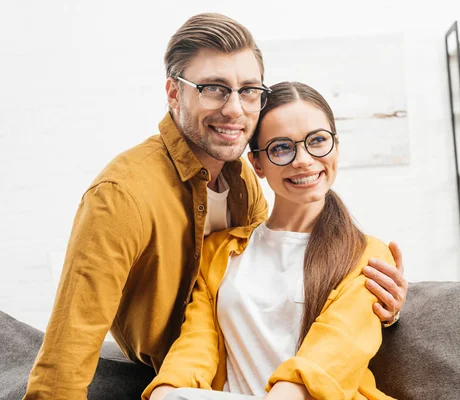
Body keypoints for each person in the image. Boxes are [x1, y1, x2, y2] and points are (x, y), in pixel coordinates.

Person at [23, 13, 406, 399]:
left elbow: (277, 280)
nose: (235, 110)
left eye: (248, 90)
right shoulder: (122, 196)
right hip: (181, 378)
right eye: (213, 88)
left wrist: (384, 307)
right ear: (174, 93)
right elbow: (70, 347)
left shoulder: (242, 181)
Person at [144, 81, 403, 400]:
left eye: (318, 141)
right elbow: (194, 348)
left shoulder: (367, 255)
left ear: (336, 145)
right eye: (281, 148)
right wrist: (167, 391)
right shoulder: (218, 252)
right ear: (257, 164)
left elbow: (326, 362)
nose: (304, 160)